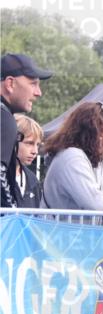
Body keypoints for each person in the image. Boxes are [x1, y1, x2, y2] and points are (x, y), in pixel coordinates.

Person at [2, 52, 52, 208]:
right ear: (10, 83)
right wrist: (13, 214)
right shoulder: (4, 118)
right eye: (33, 84)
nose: (38, 92)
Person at [13, 114, 43, 208]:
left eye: (37, 145)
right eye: (29, 143)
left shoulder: (32, 180)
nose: (35, 151)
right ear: (12, 140)